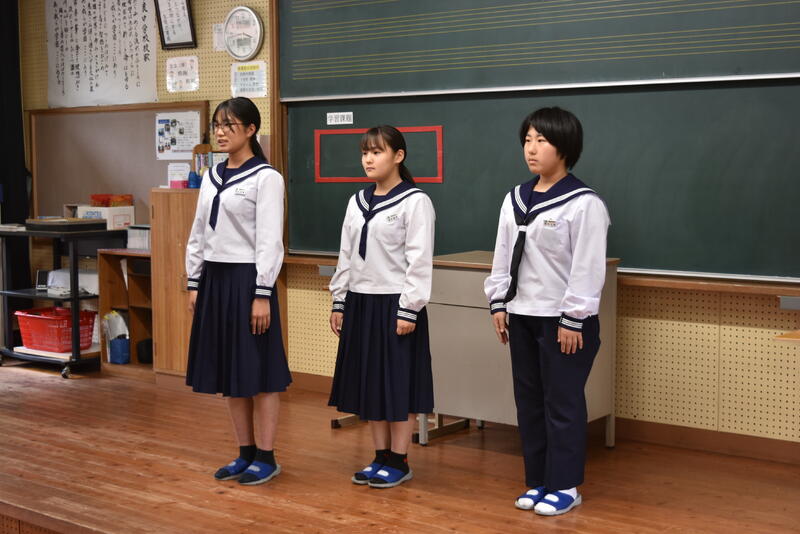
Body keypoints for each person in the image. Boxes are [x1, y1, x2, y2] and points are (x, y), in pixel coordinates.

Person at [484, 107, 610, 515]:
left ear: (565, 147)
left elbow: (587, 268)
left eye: (542, 140)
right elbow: (503, 254)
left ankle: (565, 485)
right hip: (522, 315)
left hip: (565, 321)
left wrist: (574, 318)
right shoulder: (514, 198)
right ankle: (538, 480)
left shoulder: (584, 203)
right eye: (527, 140)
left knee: (563, 402)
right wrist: (499, 301)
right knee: (530, 401)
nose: (532, 149)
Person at [185, 97, 291, 486]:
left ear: (250, 129)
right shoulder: (211, 176)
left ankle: (266, 456)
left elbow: (270, 239)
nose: (221, 132)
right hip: (215, 279)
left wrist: (262, 292)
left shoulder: (266, 177)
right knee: (231, 370)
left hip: (249, 280)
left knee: (259, 371)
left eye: (229, 125)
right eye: (217, 125)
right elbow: (199, 231)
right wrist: (194, 281)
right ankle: (244, 452)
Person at [328, 125, 436, 489]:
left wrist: (409, 309)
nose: (368, 159)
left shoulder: (415, 201)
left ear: (398, 156)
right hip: (361, 302)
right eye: (365, 152)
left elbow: (419, 260)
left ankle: (399, 460)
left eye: (377, 152)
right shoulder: (356, 201)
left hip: (396, 303)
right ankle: (379, 456)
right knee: (371, 383)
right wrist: (340, 299)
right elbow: (345, 254)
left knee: (398, 383)